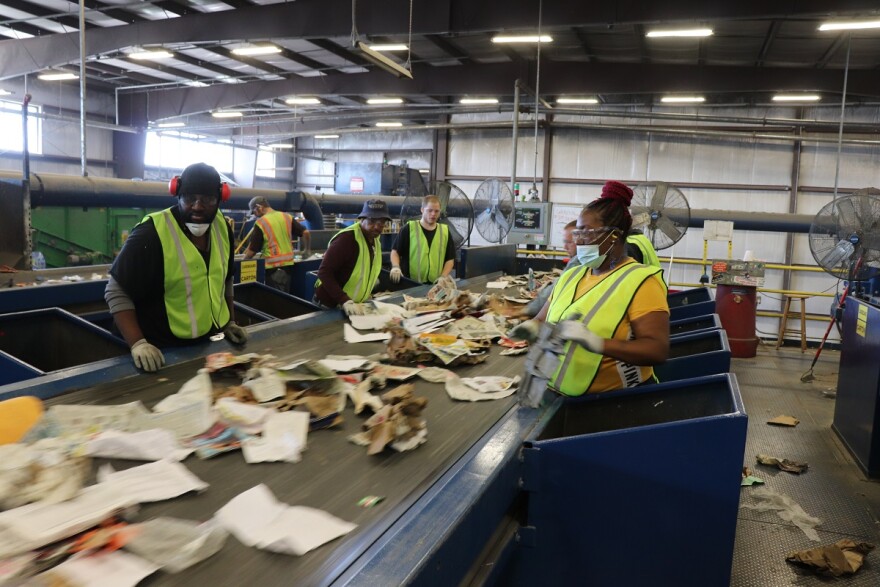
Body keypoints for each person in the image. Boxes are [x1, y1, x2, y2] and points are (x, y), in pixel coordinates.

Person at [510, 180, 669, 395]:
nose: (580, 241)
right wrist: (532, 327)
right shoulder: (572, 276)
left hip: (613, 406)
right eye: (577, 233)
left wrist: (597, 343)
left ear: (613, 236)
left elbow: (656, 350)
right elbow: (541, 319)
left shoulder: (641, 281)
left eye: (586, 232)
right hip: (557, 396)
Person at [105, 162, 248, 372]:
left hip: (202, 347)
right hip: (159, 352)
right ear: (176, 194)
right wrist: (138, 343)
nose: (198, 206)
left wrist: (229, 322)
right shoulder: (151, 233)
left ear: (220, 198)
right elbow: (115, 291)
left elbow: (226, 279)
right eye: (190, 198)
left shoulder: (222, 227)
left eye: (207, 200)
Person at [314, 198, 390, 314]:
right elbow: (324, 272)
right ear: (361, 219)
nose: (376, 227)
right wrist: (344, 300)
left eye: (380, 223)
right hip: (330, 306)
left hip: (353, 306)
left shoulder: (375, 241)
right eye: (372, 221)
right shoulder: (347, 239)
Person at [243, 196, 311, 292]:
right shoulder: (286, 217)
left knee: (274, 300)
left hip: (272, 268)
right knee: (285, 298)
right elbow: (306, 233)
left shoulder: (261, 222)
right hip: (288, 267)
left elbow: (252, 251)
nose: (255, 215)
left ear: (259, 207)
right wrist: (307, 250)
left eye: (254, 212)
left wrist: (242, 262)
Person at [389, 195, 455, 284]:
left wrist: (443, 276)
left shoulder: (445, 231)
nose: (433, 214)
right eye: (430, 210)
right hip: (411, 283)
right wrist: (396, 266)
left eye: (436, 211)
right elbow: (395, 251)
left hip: (435, 284)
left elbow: (450, 259)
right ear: (422, 210)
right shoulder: (409, 228)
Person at [522, 220, 581, 317]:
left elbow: (555, 289)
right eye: (565, 242)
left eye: (569, 242)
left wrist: (528, 309)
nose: (565, 247)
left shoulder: (578, 261)